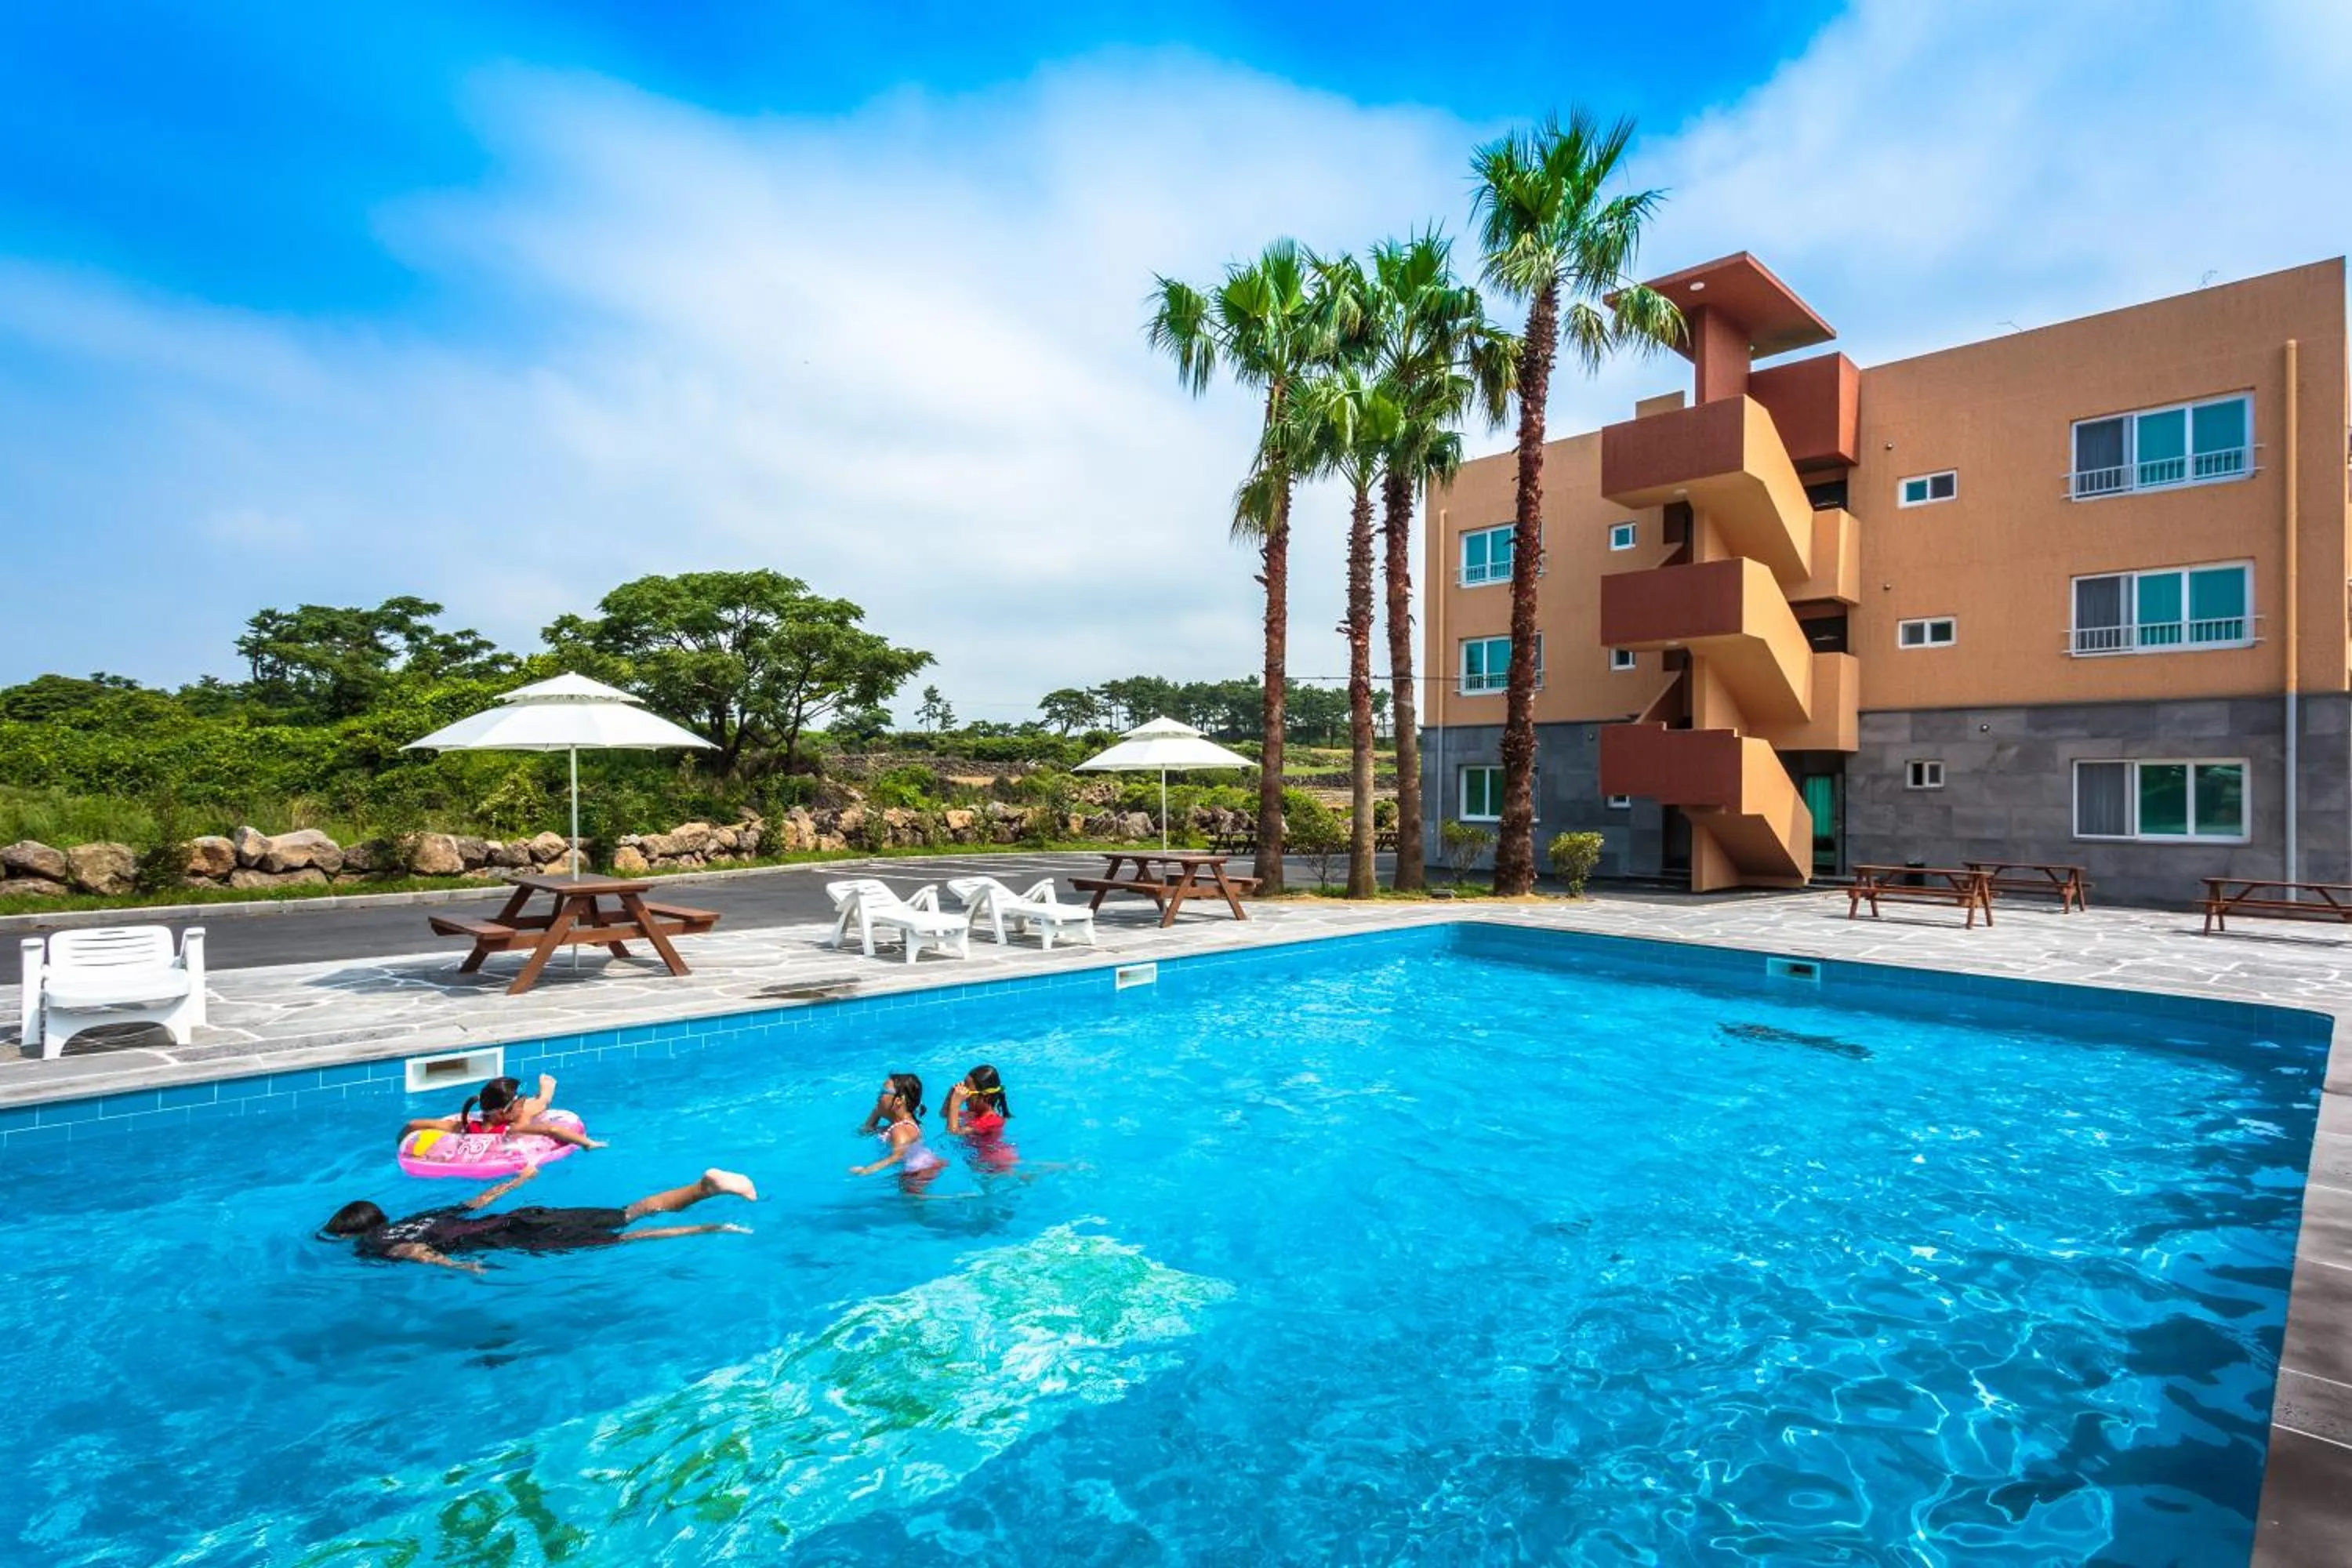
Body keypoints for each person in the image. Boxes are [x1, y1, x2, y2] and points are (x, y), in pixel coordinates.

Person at [321, 1166, 757, 1273]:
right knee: (629, 1213)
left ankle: (709, 1227)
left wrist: (459, 1267)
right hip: (523, 1214)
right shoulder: (422, 1215)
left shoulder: (375, 1245)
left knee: (625, 1240)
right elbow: (476, 1202)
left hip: (514, 1239)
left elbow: (414, 1252)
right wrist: (520, 1179)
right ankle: (704, 1187)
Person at [399, 1074, 604, 1152]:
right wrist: (588, 1143)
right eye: (519, 1104)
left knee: (538, 1106)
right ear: (501, 1112)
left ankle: (546, 1094)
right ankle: (542, 1097)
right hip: (508, 1122)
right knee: (531, 1109)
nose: (522, 1108)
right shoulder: (512, 1128)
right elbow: (551, 1129)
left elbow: (413, 1124)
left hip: (505, 1116)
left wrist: (401, 1144)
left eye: (522, 1104)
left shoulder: (464, 1126)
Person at [851, 1073, 946, 1182]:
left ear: (899, 1101)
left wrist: (866, 1170)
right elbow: (865, 1132)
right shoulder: (898, 1126)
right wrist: (876, 1112)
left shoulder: (900, 1130)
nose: (878, 1096)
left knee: (911, 1199)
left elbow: (896, 1157)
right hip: (922, 1165)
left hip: (918, 1172)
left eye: (883, 1092)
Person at [946, 1064, 1018, 1171]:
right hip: (981, 1163)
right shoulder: (972, 1114)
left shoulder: (992, 1120)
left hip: (996, 1164)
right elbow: (945, 1114)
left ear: (986, 1097)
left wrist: (956, 1102)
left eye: (968, 1093)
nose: (964, 1097)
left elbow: (952, 1132)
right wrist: (951, 1096)